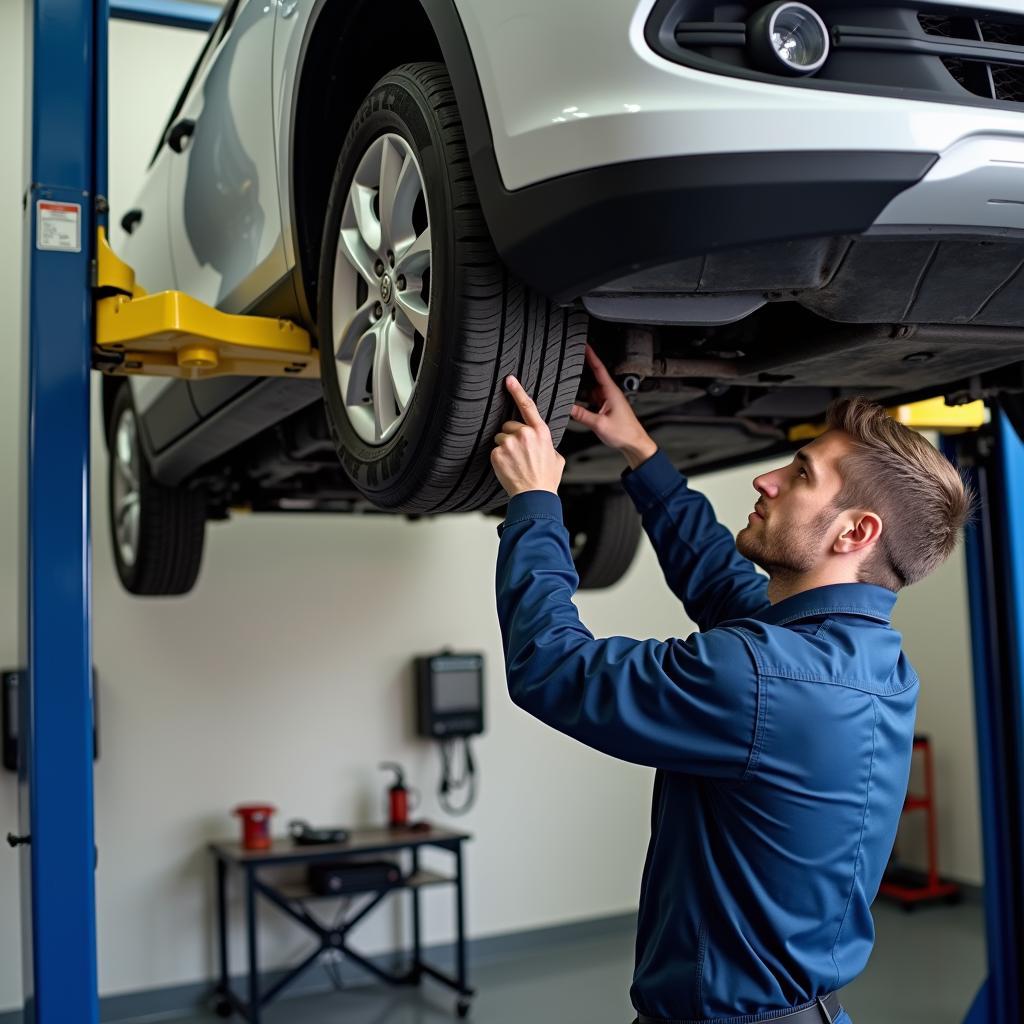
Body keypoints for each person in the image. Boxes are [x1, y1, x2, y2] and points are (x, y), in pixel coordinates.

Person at [490, 346, 973, 1024]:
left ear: (856, 531)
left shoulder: (764, 677)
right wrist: (639, 451)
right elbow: (722, 581)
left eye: (801, 474)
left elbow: (552, 669)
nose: (767, 481)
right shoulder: (864, 657)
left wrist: (536, 503)